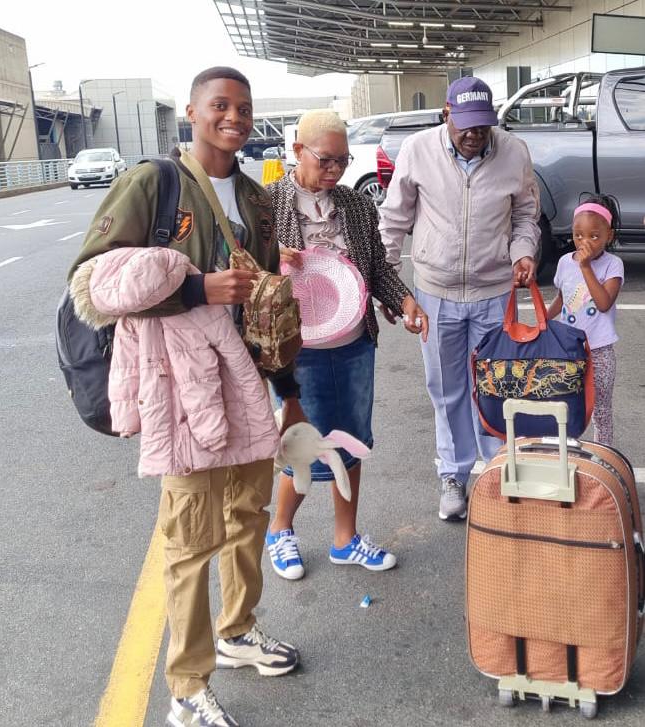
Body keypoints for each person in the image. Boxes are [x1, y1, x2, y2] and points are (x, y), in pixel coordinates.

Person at [68, 66, 304, 727]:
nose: (234, 117)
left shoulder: (256, 198)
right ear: (193, 114)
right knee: (192, 539)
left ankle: (238, 631)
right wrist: (197, 289)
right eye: (220, 105)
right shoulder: (154, 183)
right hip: (182, 388)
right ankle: (186, 688)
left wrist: (289, 389)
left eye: (244, 108)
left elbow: (268, 304)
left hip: (246, 381)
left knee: (249, 516)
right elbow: (91, 282)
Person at [264, 109, 428, 580]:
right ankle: (280, 530)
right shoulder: (267, 203)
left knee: (352, 440)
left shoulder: (356, 205)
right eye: (326, 160)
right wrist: (272, 258)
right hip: (298, 349)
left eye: (343, 161)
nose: (335, 170)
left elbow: (376, 268)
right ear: (298, 151)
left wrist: (405, 300)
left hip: (354, 341)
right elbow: (240, 267)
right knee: (302, 442)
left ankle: (345, 539)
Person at [379, 76, 540, 522]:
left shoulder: (514, 152)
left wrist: (523, 252)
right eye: (466, 124)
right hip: (436, 293)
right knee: (446, 390)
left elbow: (526, 215)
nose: (474, 134)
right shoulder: (418, 150)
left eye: (483, 125)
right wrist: (388, 284)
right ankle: (453, 476)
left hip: (494, 292)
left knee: (495, 387)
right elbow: (394, 219)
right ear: (447, 114)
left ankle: (496, 472)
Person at [547, 194, 624, 446]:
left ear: (609, 235)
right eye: (578, 235)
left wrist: (586, 267)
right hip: (569, 349)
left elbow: (604, 303)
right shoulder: (564, 262)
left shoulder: (613, 265)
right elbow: (563, 297)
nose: (584, 242)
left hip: (599, 350)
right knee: (566, 406)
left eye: (594, 236)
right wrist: (543, 320)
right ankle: (567, 454)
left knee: (601, 410)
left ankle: (603, 457)